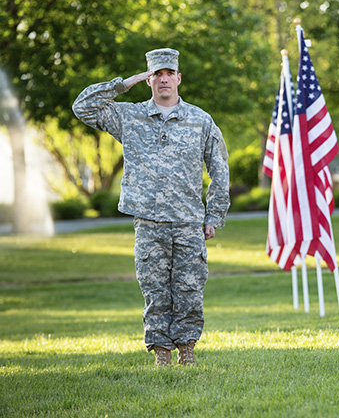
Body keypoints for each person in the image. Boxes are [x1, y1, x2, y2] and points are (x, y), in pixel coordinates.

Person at [72, 48, 230, 366]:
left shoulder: (200, 120)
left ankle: (187, 351)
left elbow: (220, 169)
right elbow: (83, 107)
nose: (164, 79)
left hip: (188, 220)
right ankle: (161, 354)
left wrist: (214, 214)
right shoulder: (129, 117)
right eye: (157, 74)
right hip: (149, 220)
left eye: (169, 73)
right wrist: (124, 83)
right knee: (154, 288)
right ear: (149, 79)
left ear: (179, 78)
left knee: (189, 289)